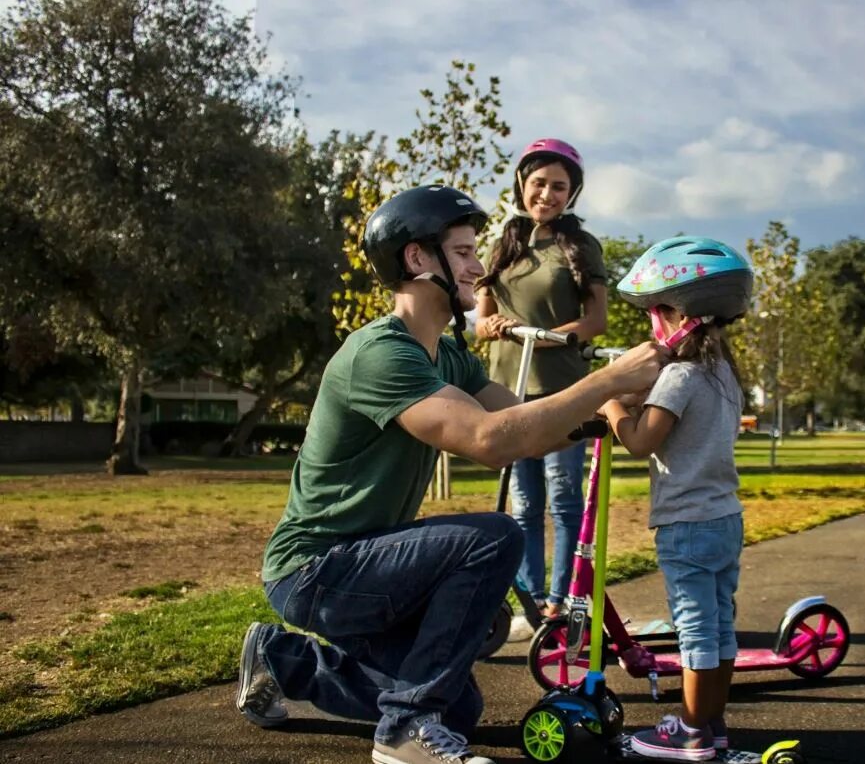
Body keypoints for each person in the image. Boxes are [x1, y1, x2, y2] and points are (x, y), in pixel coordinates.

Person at [234, 185, 667, 764]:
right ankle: (404, 733)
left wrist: (608, 414)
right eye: (463, 252)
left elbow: (520, 425)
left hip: (363, 561)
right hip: (315, 568)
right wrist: (606, 383)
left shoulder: (449, 356)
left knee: (458, 708)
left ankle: (279, 659)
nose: (480, 267)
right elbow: (488, 443)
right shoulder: (380, 354)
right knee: (496, 536)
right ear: (418, 259)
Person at [599, 236, 754, 762]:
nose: (652, 324)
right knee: (720, 623)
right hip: (725, 519)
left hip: (685, 524)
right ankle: (712, 724)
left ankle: (688, 733)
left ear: (681, 317)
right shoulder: (724, 375)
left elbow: (643, 440)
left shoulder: (680, 375)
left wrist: (614, 404)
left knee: (694, 629)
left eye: (655, 312)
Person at [475, 138, 607, 635]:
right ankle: (530, 607)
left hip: (560, 390)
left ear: (571, 193)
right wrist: (494, 327)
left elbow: (595, 320)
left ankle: (563, 601)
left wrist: (554, 338)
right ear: (521, 186)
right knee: (523, 504)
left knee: (564, 497)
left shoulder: (580, 245)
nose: (546, 194)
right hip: (507, 388)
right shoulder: (504, 241)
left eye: (558, 186)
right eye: (538, 184)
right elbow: (482, 318)